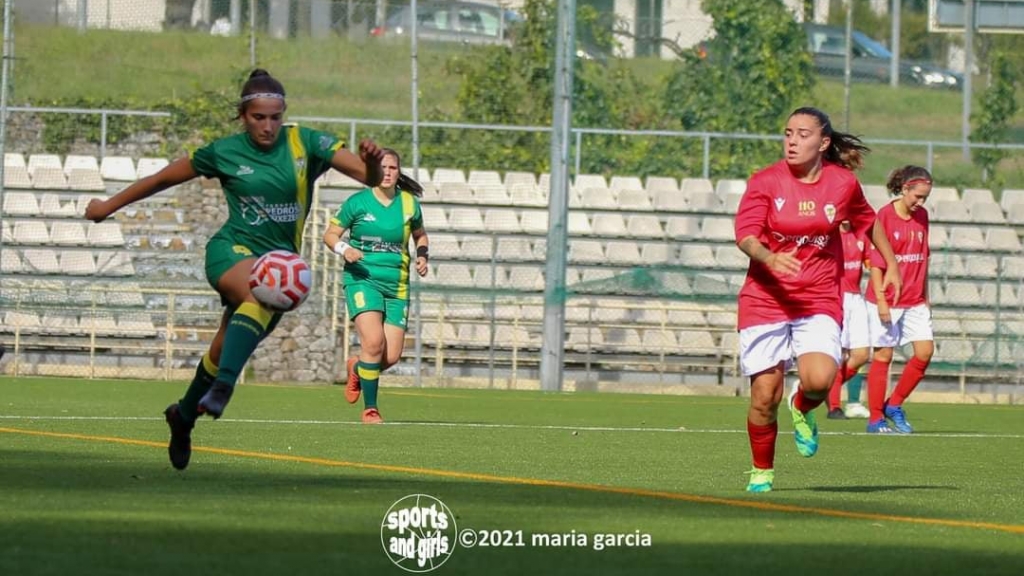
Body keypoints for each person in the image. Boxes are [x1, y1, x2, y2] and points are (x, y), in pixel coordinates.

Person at [85, 69, 384, 470]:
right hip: (231, 252)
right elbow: (161, 179)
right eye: (259, 117)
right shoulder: (224, 151)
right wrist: (107, 206)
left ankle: (184, 413)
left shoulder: (305, 143)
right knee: (261, 291)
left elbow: (368, 176)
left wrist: (373, 165)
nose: (268, 125)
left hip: (278, 262)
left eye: (275, 117)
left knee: (231, 334)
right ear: (243, 116)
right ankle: (225, 385)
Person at [734, 106, 902, 493]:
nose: (792, 140)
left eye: (803, 134)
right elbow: (745, 235)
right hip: (766, 298)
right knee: (763, 396)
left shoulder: (841, 184)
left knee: (819, 379)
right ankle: (762, 470)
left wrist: (889, 261)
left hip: (818, 296)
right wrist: (768, 257)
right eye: (788, 132)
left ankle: (802, 407)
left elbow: (867, 221)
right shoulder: (765, 182)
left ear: (823, 142)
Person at [323, 148, 428, 424]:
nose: (388, 172)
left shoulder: (409, 204)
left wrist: (423, 256)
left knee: (390, 356)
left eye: (393, 168)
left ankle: (357, 368)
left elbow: (420, 235)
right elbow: (330, 235)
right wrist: (344, 249)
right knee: (373, 342)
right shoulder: (357, 203)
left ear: (399, 172)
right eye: (383, 167)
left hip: (397, 286)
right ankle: (371, 409)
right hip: (362, 280)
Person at [864, 166, 934, 434]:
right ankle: (875, 419)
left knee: (925, 352)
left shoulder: (923, 216)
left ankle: (894, 404)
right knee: (883, 356)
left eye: (925, 197)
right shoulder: (884, 216)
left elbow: (924, 258)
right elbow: (877, 264)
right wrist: (881, 301)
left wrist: (926, 297)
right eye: (917, 196)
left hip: (915, 300)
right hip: (888, 300)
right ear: (904, 189)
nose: (921, 202)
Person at [825, 220, 873, 420]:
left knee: (862, 354)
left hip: (856, 297)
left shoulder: (861, 234)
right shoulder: (828, 235)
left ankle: (819, 388)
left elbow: (870, 263)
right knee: (838, 354)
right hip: (835, 295)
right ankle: (834, 407)